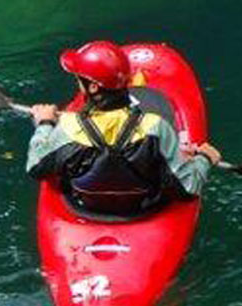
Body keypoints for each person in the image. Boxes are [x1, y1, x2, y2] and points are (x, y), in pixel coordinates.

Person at [23, 40, 221, 216]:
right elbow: (187, 189)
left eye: (79, 78)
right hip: (143, 205)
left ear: (93, 87)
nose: (77, 82)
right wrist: (203, 159)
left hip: (86, 206)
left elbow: (35, 168)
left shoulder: (67, 127)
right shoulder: (155, 127)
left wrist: (45, 124)